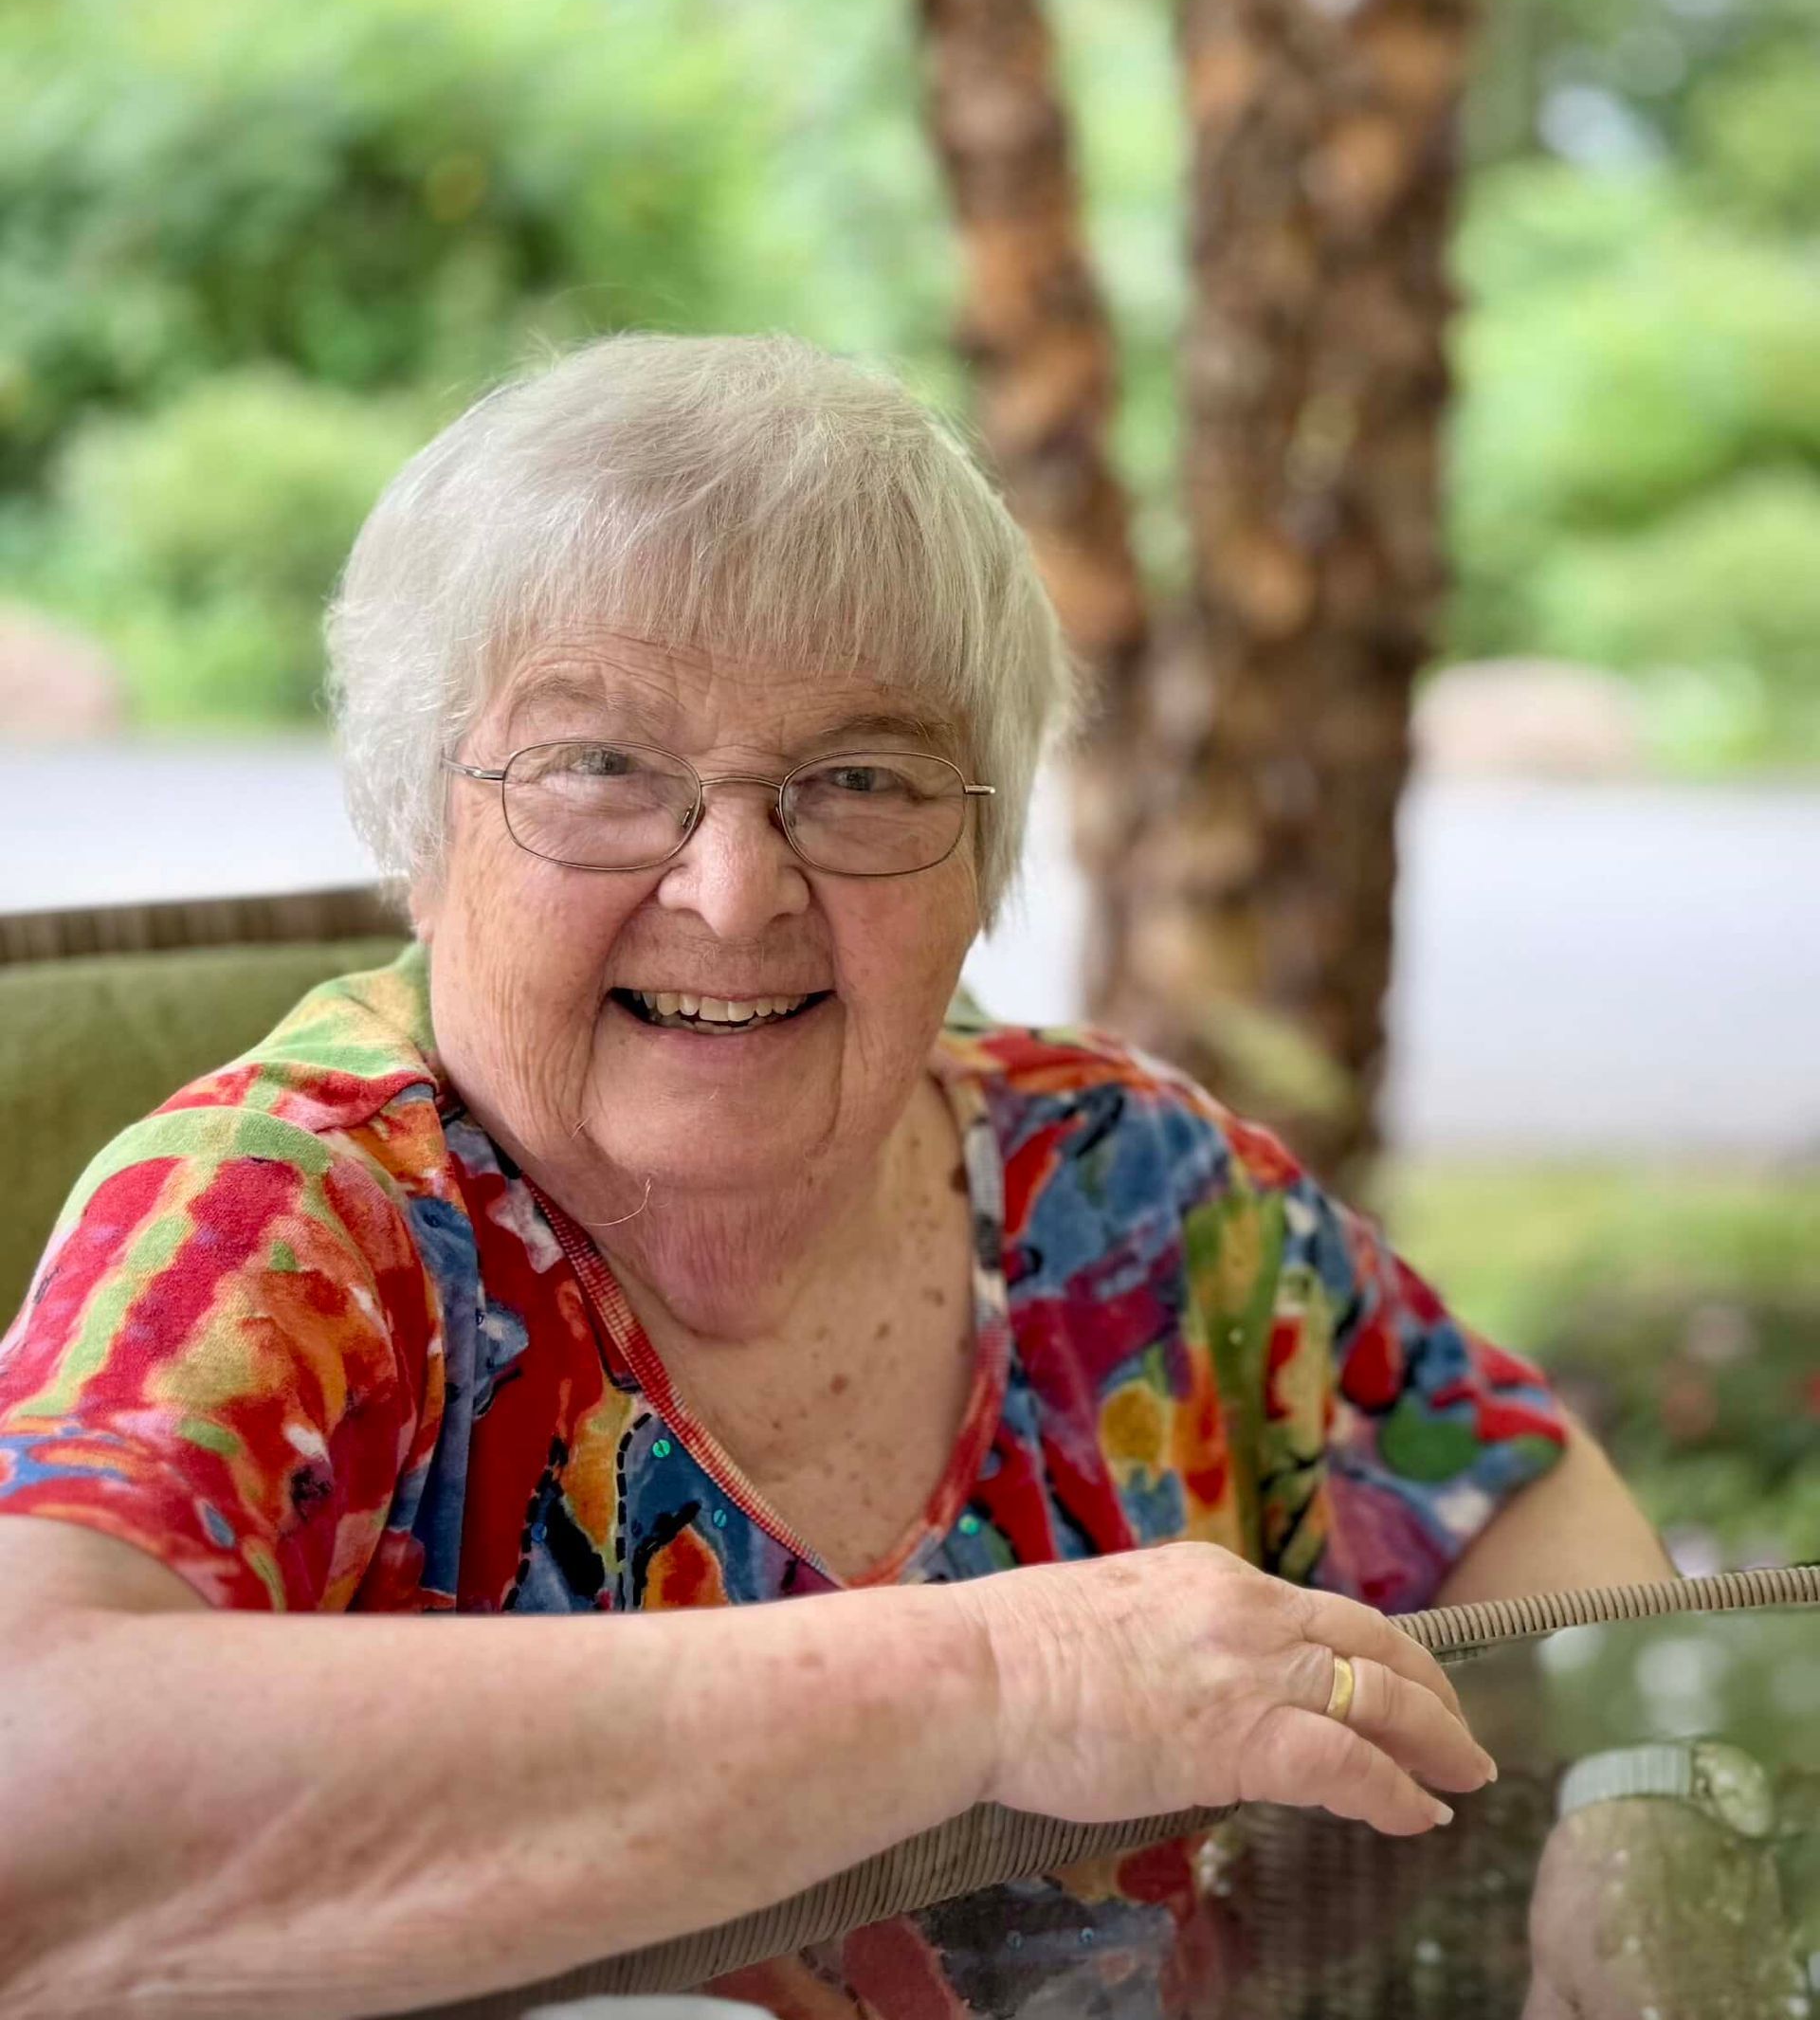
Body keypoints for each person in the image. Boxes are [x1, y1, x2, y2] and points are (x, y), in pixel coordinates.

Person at [0, 333, 1671, 2020]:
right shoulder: (286, 1228)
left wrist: (1645, 1798)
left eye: (858, 780)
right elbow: (33, 1772)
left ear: (983, 853)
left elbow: (1512, 1495)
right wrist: (999, 1684)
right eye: (603, 768)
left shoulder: (1123, 1188)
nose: (734, 893)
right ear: (421, 835)